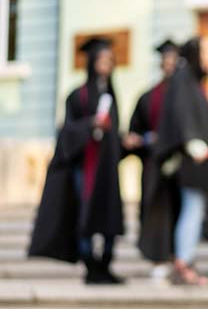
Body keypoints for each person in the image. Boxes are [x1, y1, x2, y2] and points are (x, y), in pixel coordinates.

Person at [29, 38, 125, 284]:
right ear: (92, 62)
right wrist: (90, 124)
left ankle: (105, 266)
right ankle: (90, 266)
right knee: (86, 215)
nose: (106, 64)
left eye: (109, 60)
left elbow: (114, 134)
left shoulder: (111, 95)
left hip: (106, 168)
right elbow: (67, 132)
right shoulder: (77, 95)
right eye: (102, 59)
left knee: (109, 216)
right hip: (85, 168)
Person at [155, 36, 208, 285]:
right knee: (192, 209)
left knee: (193, 209)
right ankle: (183, 264)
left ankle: (184, 261)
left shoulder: (194, 81)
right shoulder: (183, 78)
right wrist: (192, 141)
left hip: (198, 162)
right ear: (195, 53)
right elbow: (181, 114)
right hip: (190, 161)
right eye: (207, 51)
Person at [123, 39, 180, 280]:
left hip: (177, 165)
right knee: (152, 209)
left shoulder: (185, 95)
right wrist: (136, 140)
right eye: (165, 62)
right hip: (152, 165)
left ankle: (175, 256)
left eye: (172, 62)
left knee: (176, 210)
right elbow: (134, 128)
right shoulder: (148, 96)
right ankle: (157, 257)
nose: (168, 66)